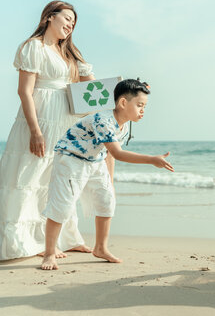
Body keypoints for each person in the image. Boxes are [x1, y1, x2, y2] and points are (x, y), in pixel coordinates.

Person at [0, 0, 106, 260]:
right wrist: (36, 132)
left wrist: (120, 92)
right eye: (67, 19)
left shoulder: (69, 53)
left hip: (66, 122)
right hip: (40, 120)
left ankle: (64, 239)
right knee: (29, 178)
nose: (70, 25)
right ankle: (25, 241)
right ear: (49, 17)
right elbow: (24, 92)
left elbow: (93, 89)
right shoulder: (33, 47)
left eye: (73, 23)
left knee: (59, 180)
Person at [41, 79, 174, 270]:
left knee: (107, 201)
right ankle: (49, 254)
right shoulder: (103, 120)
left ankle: (100, 248)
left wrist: (110, 182)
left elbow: (109, 154)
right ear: (122, 103)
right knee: (62, 205)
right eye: (139, 105)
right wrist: (152, 159)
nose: (143, 110)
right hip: (71, 159)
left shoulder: (124, 124)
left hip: (95, 161)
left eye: (144, 106)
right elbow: (118, 154)